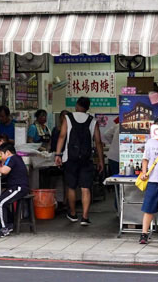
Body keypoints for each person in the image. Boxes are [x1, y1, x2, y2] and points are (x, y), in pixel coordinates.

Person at [53, 96, 104, 226]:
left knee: (71, 187)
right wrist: (101, 161)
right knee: (85, 188)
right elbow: (98, 142)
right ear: (87, 108)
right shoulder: (93, 121)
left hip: (70, 158)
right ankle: (85, 217)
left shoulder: (68, 118)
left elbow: (62, 136)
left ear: (76, 105)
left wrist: (58, 154)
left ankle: (73, 213)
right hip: (86, 159)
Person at [137, 117, 158, 244]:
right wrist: (144, 172)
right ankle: (144, 234)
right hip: (153, 180)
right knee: (149, 208)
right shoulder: (150, 142)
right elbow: (145, 159)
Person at [0, 142, 29, 235]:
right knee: (0, 200)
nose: (0, 156)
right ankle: (9, 224)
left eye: (1, 154)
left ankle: (3, 228)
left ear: (8, 152)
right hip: (15, 187)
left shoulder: (12, 158)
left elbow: (4, 171)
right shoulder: (15, 158)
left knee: (0, 202)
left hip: (18, 187)